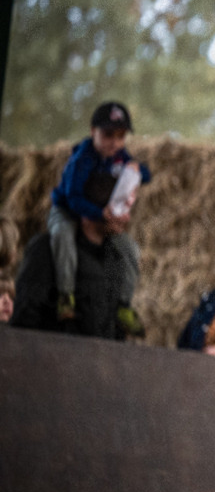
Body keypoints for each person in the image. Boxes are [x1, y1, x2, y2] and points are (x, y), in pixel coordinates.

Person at [48, 101, 150, 335]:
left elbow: (146, 173)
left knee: (130, 250)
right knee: (62, 235)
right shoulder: (82, 159)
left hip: (102, 221)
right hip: (69, 212)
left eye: (121, 136)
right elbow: (73, 197)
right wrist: (99, 214)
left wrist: (137, 169)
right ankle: (66, 294)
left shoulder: (120, 157)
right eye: (108, 135)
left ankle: (124, 306)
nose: (115, 142)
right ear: (93, 131)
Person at [10, 216, 133, 338]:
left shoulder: (116, 259)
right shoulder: (47, 248)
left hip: (99, 355)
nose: (126, 216)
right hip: (54, 352)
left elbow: (114, 327)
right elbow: (25, 319)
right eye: (117, 203)